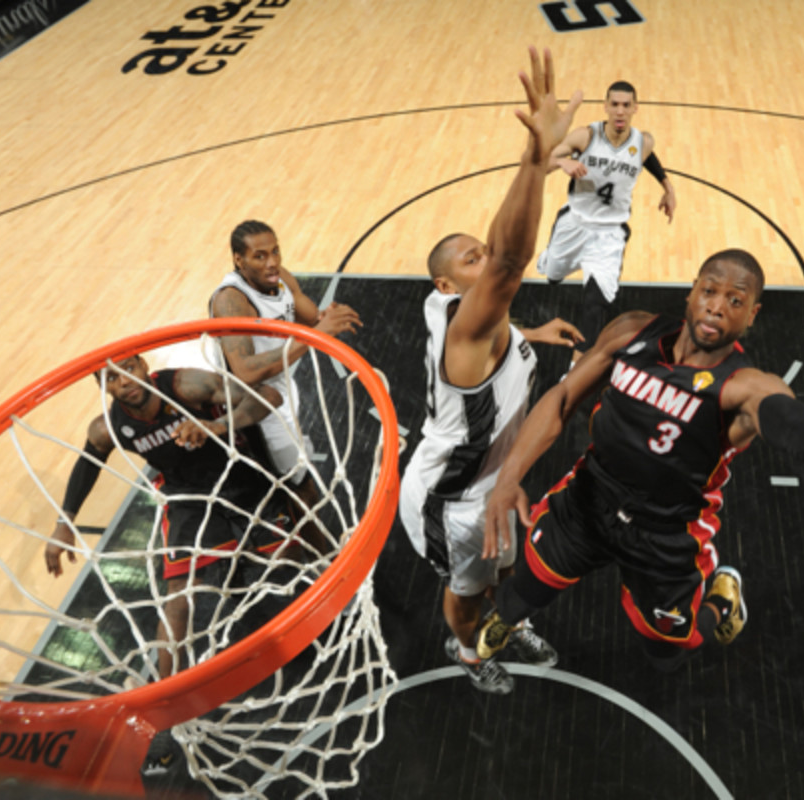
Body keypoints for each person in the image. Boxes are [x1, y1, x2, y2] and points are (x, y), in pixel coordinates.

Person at [477, 249, 804, 672]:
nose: (716, 305)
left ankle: (721, 601)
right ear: (691, 293)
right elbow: (563, 398)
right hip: (588, 500)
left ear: (752, 316)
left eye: (735, 299)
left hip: (665, 535)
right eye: (709, 290)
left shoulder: (747, 386)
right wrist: (509, 478)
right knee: (524, 590)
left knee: (664, 651)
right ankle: (510, 622)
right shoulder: (632, 330)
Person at [398, 47, 585, 696]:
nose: (487, 261)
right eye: (472, 258)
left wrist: (532, 334)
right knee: (467, 586)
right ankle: (467, 645)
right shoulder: (466, 324)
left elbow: (499, 300)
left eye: (481, 251)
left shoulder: (477, 324)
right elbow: (509, 264)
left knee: (502, 569)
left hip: (490, 480)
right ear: (448, 283)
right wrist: (535, 161)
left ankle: (496, 624)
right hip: (450, 498)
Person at [44, 354, 284, 678]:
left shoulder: (186, 386)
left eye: (128, 369)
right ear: (102, 388)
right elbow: (87, 465)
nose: (124, 381)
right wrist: (64, 524)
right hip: (189, 498)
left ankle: (334, 581)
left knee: (288, 557)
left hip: (240, 477)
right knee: (178, 597)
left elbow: (269, 395)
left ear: (144, 365)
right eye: (110, 379)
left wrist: (217, 425)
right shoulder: (109, 427)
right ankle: (167, 693)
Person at [210, 219, 362, 553]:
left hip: (281, 390)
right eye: (259, 256)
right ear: (239, 260)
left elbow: (311, 318)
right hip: (253, 404)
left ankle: (297, 537)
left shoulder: (279, 278)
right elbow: (245, 371)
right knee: (300, 485)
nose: (272, 262)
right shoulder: (231, 301)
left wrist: (329, 317)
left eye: (275, 251)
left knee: (290, 481)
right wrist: (321, 334)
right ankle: (322, 562)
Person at [537, 80, 678, 368]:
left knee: (595, 303)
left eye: (626, 105)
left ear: (635, 108)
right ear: (605, 106)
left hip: (610, 234)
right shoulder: (585, 137)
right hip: (575, 224)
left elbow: (648, 158)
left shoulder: (643, 142)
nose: (620, 111)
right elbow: (544, 160)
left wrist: (667, 186)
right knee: (552, 275)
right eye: (614, 104)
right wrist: (562, 163)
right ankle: (551, 259)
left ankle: (574, 372)